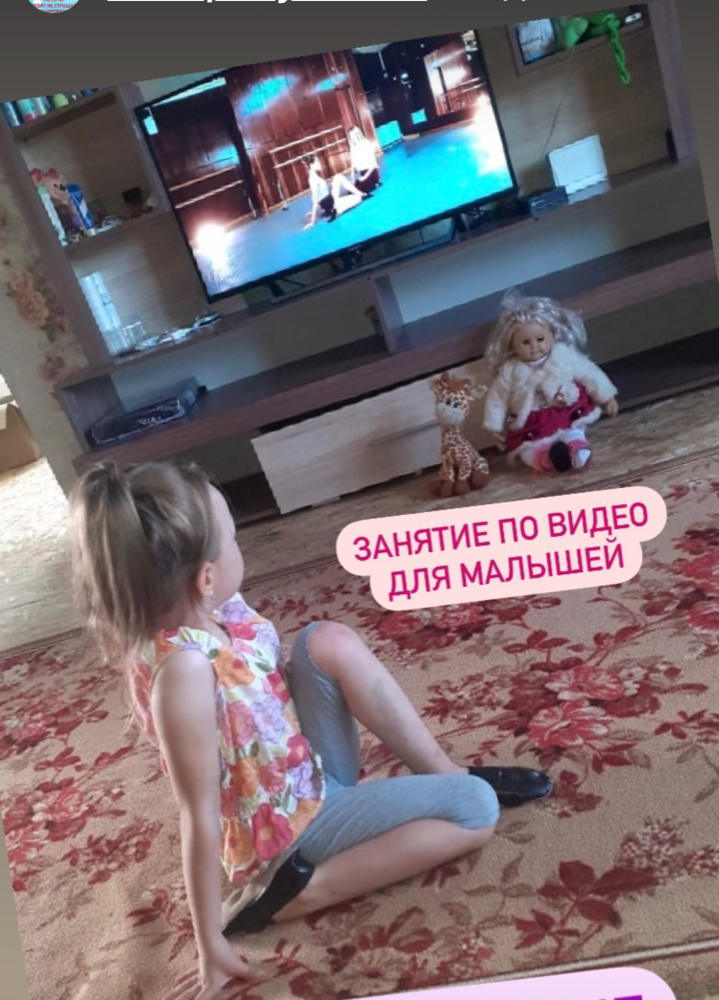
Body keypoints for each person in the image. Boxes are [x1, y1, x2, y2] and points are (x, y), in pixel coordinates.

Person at [68, 460, 552, 1000]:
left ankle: (447, 770)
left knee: (328, 639)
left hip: (301, 770)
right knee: (475, 810)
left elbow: (265, 690)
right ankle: (297, 890)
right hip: (283, 830)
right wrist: (208, 940)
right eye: (232, 539)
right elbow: (197, 814)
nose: (240, 546)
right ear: (205, 577)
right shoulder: (182, 672)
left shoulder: (215, 610)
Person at [482, 288, 619, 473]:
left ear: (552, 335)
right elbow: (497, 398)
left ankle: (577, 449)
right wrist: (494, 427)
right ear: (512, 345)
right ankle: (546, 458)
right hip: (532, 422)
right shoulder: (510, 370)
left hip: (565, 409)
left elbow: (589, 373)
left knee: (574, 431)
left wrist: (607, 396)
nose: (534, 346)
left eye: (540, 339)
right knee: (526, 449)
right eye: (525, 342)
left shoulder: (563, 355)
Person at [303, 154, 365, 230]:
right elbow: (315, 200)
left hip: (329, 200)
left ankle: (358, 195)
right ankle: (337, 209)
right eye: (317, 162)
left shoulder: (315, 177)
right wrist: (312, 222)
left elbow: (318, 196)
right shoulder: (312, 180)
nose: (319, 163)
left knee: (356, 197)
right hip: (328, 202)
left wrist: (312, 212)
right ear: (312, 165)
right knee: (357, 197)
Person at [348, 125, 381, 195]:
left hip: (371, 171)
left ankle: (375, 182)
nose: (353, 138)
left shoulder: (365, 143)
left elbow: (373, 163)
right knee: (352, 190)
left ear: (358, 135)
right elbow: (353, 164)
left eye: (354, 136)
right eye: (351, 137)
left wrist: (364, 177)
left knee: (363, 188)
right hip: (362, 172)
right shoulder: (353, 147)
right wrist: (352, 178)